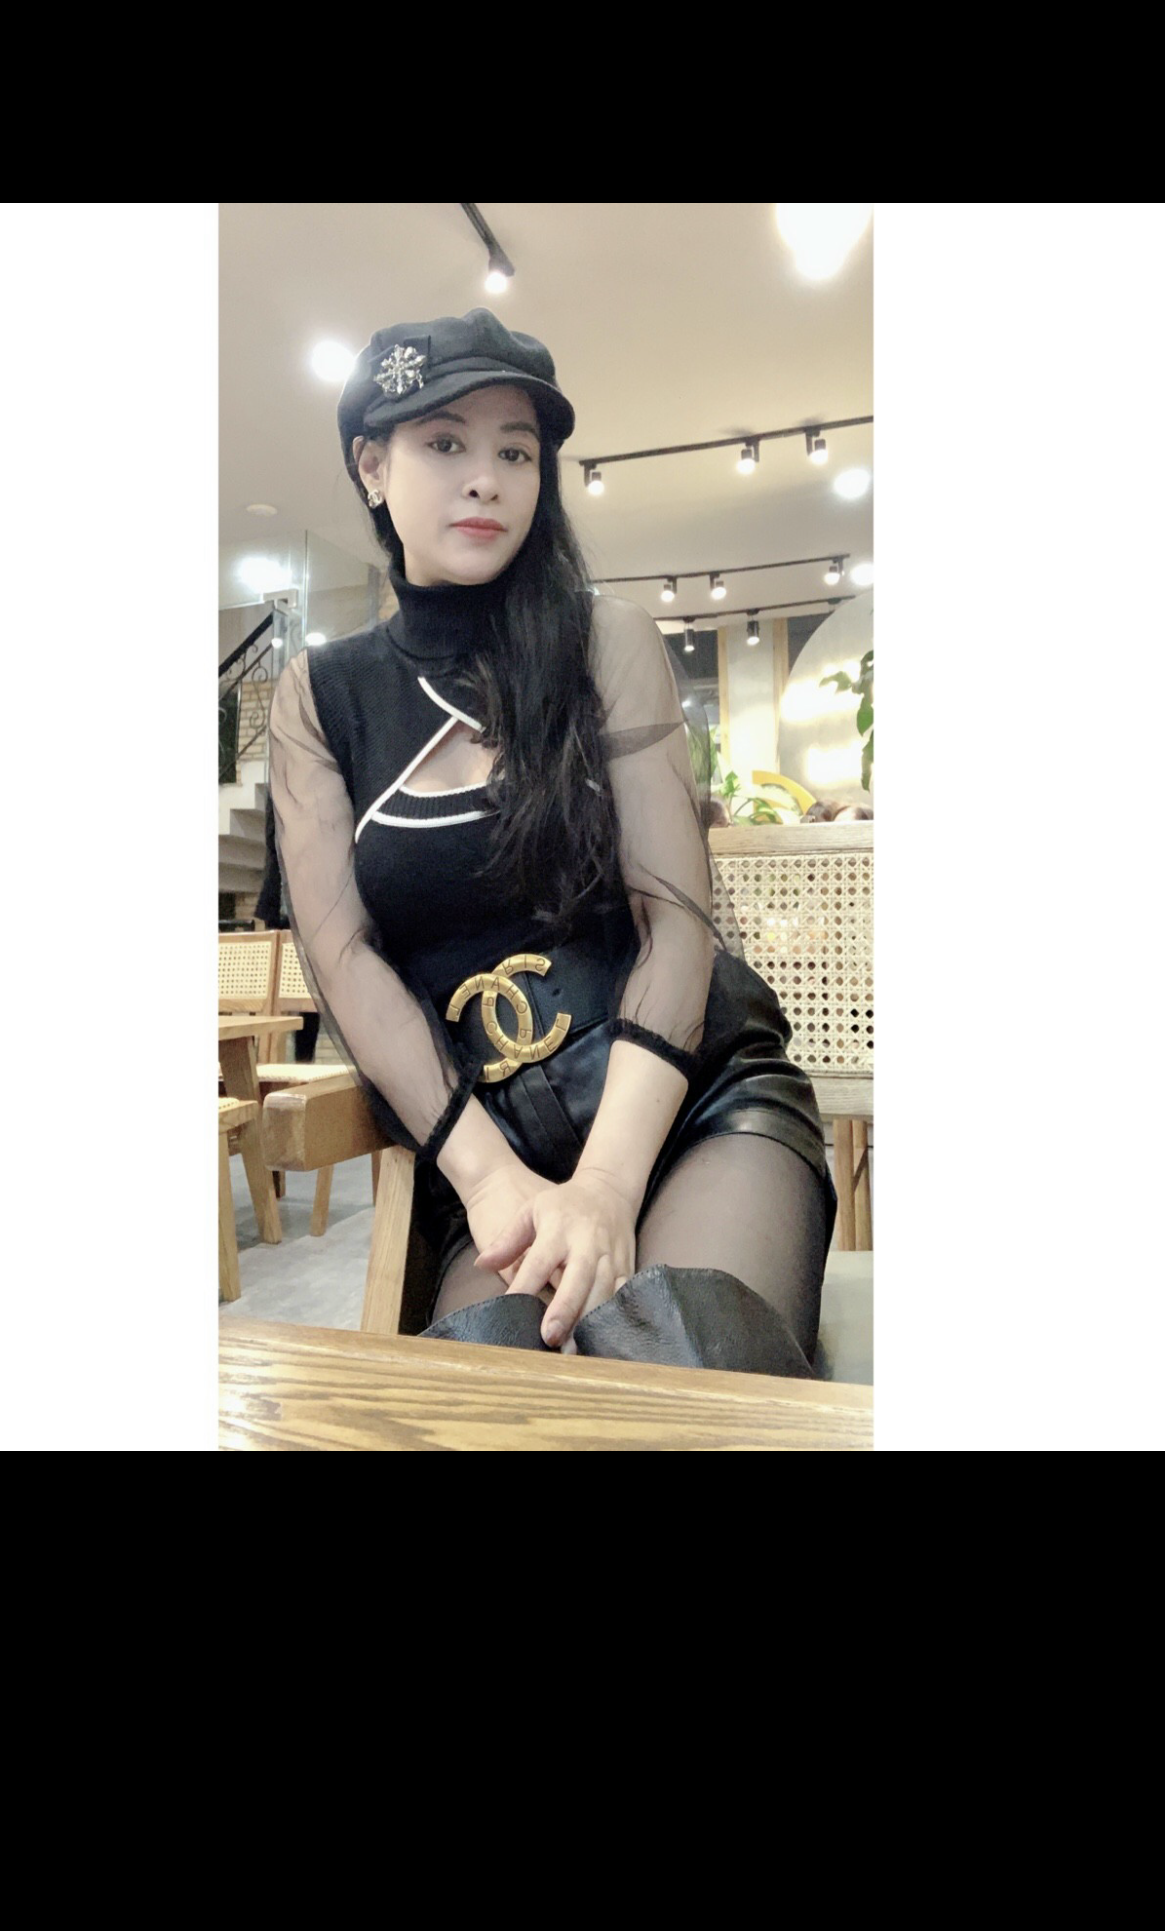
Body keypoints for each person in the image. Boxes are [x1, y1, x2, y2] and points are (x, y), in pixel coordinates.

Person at [267, 310, 838, 1377]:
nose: (486, 478)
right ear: (372, 465)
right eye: (445, 442)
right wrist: (489, 1181)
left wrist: (610, 1185)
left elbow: (675, 922)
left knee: (690, 1362)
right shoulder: (322, 696)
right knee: (493, 1400)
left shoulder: (603, 639)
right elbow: (343, 958)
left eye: (517, 451)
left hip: (692, 1103)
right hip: (490, 1148)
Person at [253, 795, 320, 1063]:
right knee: (269, 987)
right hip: (278, 904)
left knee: (308, 992)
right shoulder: (278, 790)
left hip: (309, 905)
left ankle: (305, 1060)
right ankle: (264, 1057)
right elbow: (273, 842)